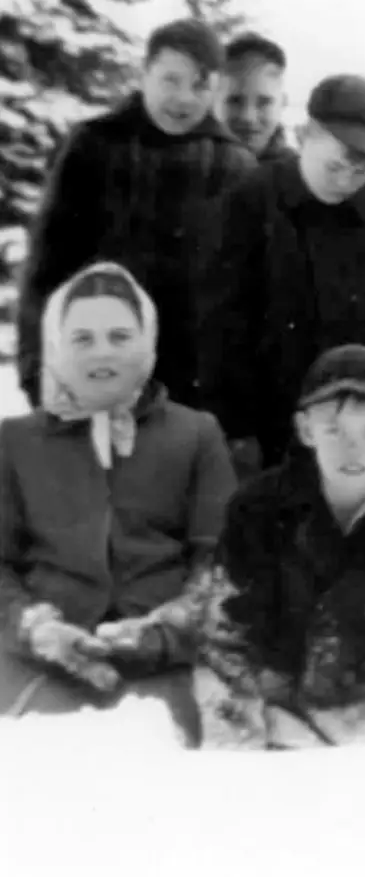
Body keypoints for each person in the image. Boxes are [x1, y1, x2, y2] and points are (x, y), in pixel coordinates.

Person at [194, 345, 365, 747]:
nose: (352, 449)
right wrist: (241, 742)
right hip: (276, 710)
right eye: (334, 431)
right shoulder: (257, 509)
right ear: (306, 430)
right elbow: (226, 637)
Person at [0, 263, 236, 740]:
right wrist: (36, 629)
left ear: (147, 344)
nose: (102, 352)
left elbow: (221, 561)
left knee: (161, 757)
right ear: (56, 347)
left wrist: (166, 632)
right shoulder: (15, 442)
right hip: (40, 666)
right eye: (83, 339)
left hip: (166, 665)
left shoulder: (195, 434)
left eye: (119, 336)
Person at [197, 75, 365, 471]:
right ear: (305, 135)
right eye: (335, 166)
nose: (346, 181)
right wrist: (236, 427)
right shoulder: (252, 198)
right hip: (270, 419)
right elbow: (221, 324)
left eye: (361, 171)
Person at [18, 18, 254, 410]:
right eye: (170, 80)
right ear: (144, 75)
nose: (183, 99)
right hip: (94, 376)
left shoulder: (235, 166)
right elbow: (46, 269)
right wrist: (37, 369)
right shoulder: (93, 146)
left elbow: (244, 296)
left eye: (200, 86)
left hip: (192, 391)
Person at [221, 32, 294, 162]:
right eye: (235, 101)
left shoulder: (302, 172)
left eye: (263, 102)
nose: (248, 117)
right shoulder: (189, 166)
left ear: (283, 103)